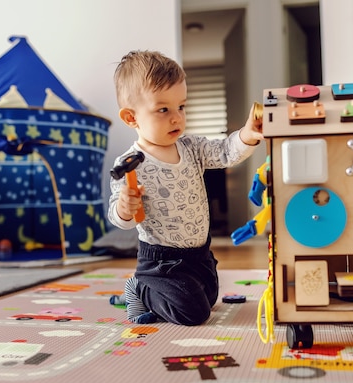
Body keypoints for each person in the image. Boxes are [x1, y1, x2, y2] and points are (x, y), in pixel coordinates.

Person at [108, 50, 263, 325]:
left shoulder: (191, 147)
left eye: (182, 106)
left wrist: (248, 134)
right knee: (193, 313)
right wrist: (124, 208)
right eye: (163, 109)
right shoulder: (131, 165)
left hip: (199, 253)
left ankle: (164, 292)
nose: (177, 117)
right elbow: (121, 220)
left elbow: (226, 151)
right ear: (131, 118)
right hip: (162, 262)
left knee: (210, 296)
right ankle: (140, 287)